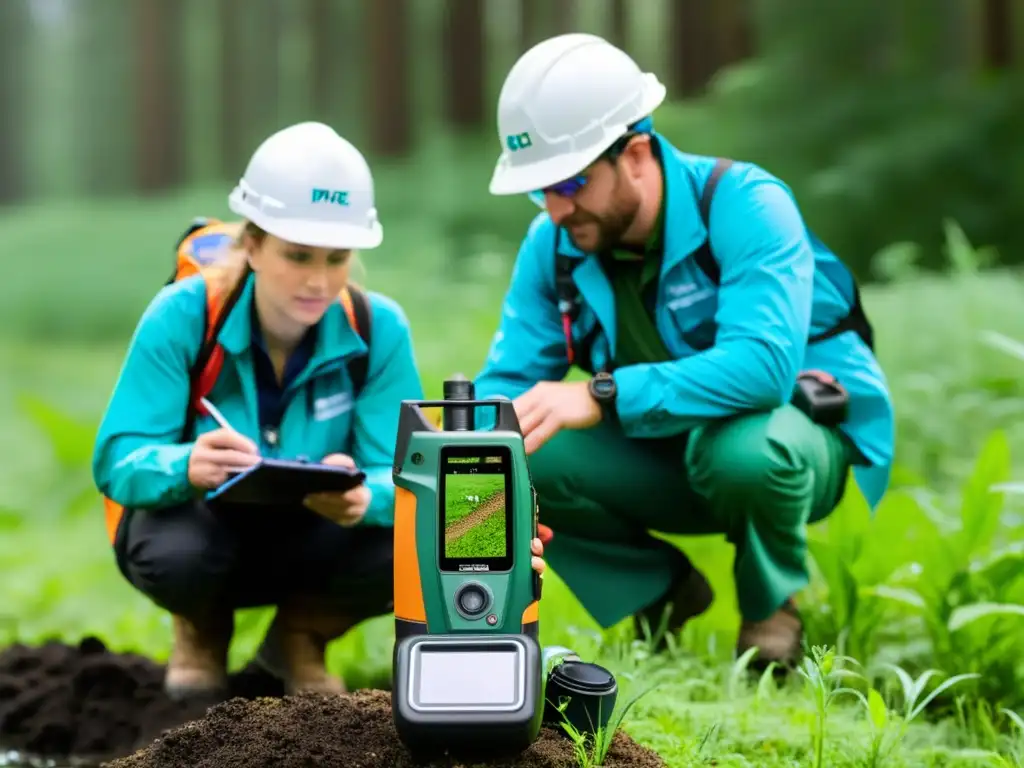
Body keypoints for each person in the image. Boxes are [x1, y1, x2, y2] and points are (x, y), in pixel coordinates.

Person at [473, 34, 894, 670]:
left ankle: (770, 611)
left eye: (572, 183)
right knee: (512, 446)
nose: (557, 209)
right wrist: (454, 457)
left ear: (636, 153)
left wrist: (598, 393)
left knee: (746, 452)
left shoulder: (747, 204)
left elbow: (763, 370)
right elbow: (507, 382)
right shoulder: (552, 242)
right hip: (663, 447)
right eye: (541, 191)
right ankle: (657, 592)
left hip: (794, 438)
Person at [93, 120, 549, 701]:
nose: (318, 280)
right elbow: (117, 458)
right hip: (202, 526)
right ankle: (200, 630)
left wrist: (368, 498)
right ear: (253, 245)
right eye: (298, 254)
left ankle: (300, 637)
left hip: (320, 531)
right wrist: (186, 465)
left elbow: (404, 472)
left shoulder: (377, 327)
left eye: (337, 258)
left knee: (415, 537)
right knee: (175, 555)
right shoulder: (183, 315)